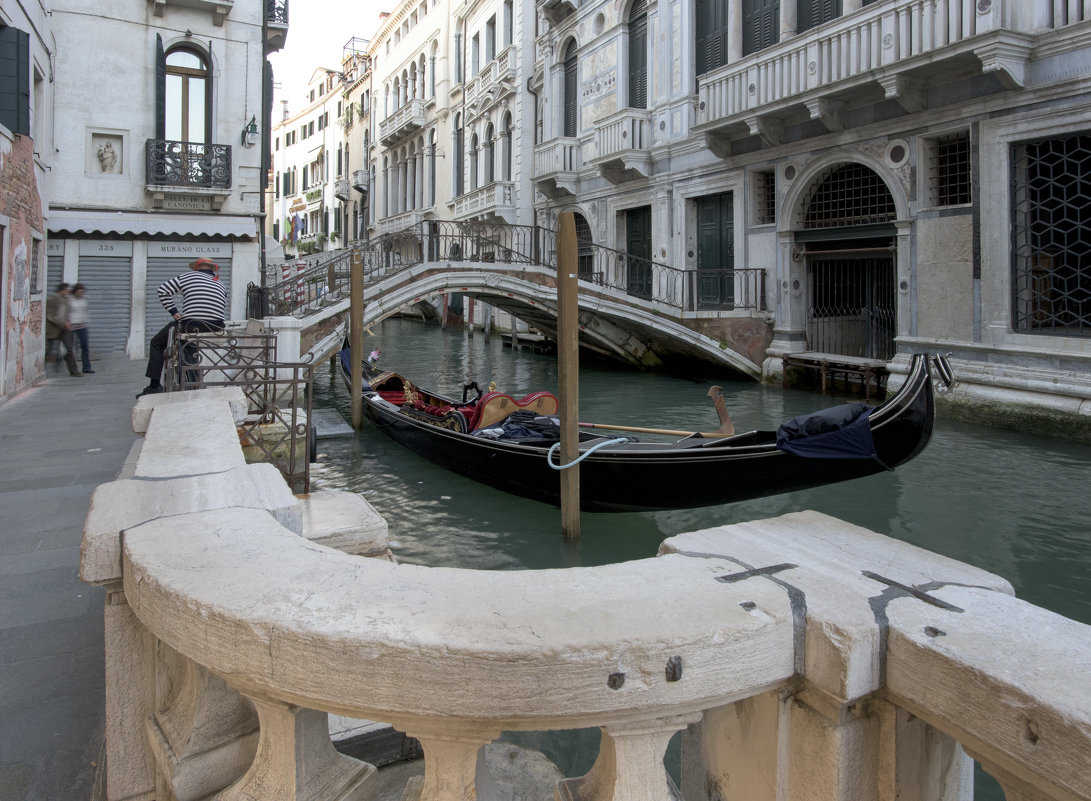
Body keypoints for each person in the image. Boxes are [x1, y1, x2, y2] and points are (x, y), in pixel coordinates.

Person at [137, 257, 227, 398]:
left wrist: (174, 312)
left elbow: (163, 290)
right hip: (216, 326)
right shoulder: (220, 283)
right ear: (212, 268)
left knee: (156, 342)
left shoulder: (188, 277)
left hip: (192, 325)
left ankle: (154, 385)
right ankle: (189, 380)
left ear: (197, 267)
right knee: (188, 343)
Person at [45, 282, 81, 377]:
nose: (69, 291)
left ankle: (74, 371)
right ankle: (41, 370)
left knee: (69, 348)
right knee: (49, 350)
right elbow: (49, 314)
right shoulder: (53, 299)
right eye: (67, 290)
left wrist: (69, 322)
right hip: (54, 328)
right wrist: (61, 322)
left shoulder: (67, 299)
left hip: (65, 328)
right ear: (62, 290)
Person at [67, 283, 94, 374]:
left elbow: (84, 311)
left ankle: (86, 367)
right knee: (70, 348)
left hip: (82, 326)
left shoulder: (83, 299)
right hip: (72, 326)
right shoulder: (69, 300)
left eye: (83, 292)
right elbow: (65, 311)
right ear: (75, 291)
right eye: (80, 292)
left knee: (85, 347)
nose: (81, 293)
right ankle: (73, 369)